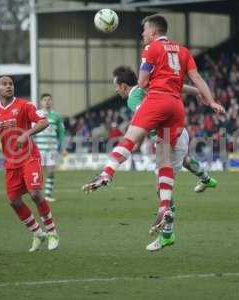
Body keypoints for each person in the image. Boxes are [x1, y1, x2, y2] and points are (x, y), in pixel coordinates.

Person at [82, 14, 225, 251]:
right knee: (165, 161)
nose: (142, 34)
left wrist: (147, 84)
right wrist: (209, 100)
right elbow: (195, 78)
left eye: (144, 31)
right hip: (176, 108)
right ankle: (167, 206)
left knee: (131, 138)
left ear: (153, 32)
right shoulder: (182, 50)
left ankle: (107, 173)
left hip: (158, 102)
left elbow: (143, 80)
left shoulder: (150, 51)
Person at [0, 76, 59, 251]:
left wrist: (26, 134)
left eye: (11, 84)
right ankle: (38, 233)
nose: (8, 87)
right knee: (14, 201)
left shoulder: (25, 105)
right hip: (11, 162)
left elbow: (43, 122)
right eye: (4, 84)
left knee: (35, 194)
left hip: (29, 156)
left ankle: (52, 232)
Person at [112, 65, 218, 191]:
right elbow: (177, 87)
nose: (116, 90)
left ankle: (167, 210)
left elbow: (146, 118)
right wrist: (197, 91)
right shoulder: (149, 85)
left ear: (123, 86)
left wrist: (134, 135)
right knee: (185, 160)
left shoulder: (133, 98)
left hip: (167, 137)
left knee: (161, 185)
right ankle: (206, 180)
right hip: (179, 130)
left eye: (116, 86)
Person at [33, 93, 66, 202]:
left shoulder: (56, 116)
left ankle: (47, 195)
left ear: (51, 102)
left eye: (49, 100)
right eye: (45, 100)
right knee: (39, 173)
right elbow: (31, 131)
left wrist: (63, 147)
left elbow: (61, 133)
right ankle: (37, 194)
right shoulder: (36, 114)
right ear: (41, 102)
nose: (47, 102)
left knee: (51, 171)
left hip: (52, 148)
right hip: (39, 148)